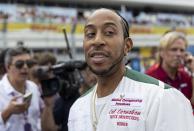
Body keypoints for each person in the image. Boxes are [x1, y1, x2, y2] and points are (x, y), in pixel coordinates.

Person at [68, 8, 194, 131]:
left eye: (109, 32)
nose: (97, 41)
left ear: (127, 46)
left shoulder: (161, 97)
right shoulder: (78, 108)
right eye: (90, 34)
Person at [0, 47, 53, 131]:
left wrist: (48, 105)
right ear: (8, 67)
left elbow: (47, 127)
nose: (25, 67)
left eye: (28, 63)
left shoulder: (33, 87)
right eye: (19, 64)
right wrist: (8, 112)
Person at [146, 31, 194, 108]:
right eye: (174, 49)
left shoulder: (186, 76)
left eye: (182, 50)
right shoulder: (150, 77)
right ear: (162, 52)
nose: (178, 54)